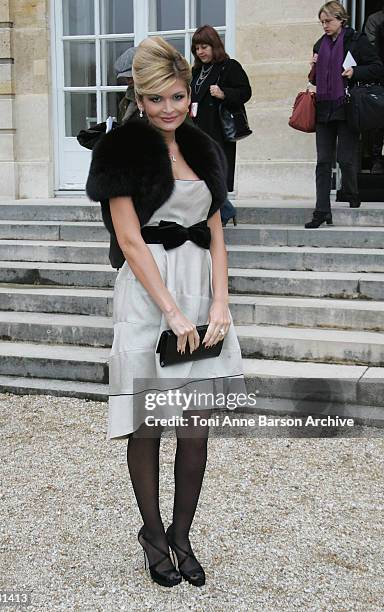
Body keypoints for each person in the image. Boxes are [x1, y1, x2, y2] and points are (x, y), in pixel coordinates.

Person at [85, 37, 247, 588]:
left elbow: (216, 227)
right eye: (156, 99)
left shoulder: (204, 147)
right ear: (140, 96)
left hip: (201, 292)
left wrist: (220, 299)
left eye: (176, 96)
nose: (168, 108)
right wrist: (173, 313)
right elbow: (130, 241)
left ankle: (182, 534)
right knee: (150, 425)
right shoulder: (120, 150)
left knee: (195, 427)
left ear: (189, 93)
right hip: (150, 296)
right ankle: (152, 535)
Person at [305, 1, 384, 229]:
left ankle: (352, 192)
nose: (325, 26)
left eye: (328, 21)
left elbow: (377, 67)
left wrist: (354, 71)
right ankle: (321, 211)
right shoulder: (319, 44)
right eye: (322, 22)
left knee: (346, 159)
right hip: (324, 107)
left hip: (346, 106)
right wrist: (312, 68)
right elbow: (315, 80)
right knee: (322, 161)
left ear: (341, 19)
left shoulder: (356, 41)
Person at [190, 25, 252, 226]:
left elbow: (245, 92)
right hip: (198, 130)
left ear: (214, 46)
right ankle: (224, 211)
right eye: (197, 48)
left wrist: (224, 93)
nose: (201, 52)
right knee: (201, 176)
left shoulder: (229, 66)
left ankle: (221, 213)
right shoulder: (196, 71)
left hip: (218, 131)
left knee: (214, 175)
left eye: (204, 47)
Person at [364, 3, 384, 174]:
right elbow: (371, 51)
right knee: (378, 119)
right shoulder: (376, 19)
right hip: (380, 76)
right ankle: (376, 159)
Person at [114, 46, 139, 124]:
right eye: (126, 77)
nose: (129, 81)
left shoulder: (158, 99)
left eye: (131, 76)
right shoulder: (125, 102)